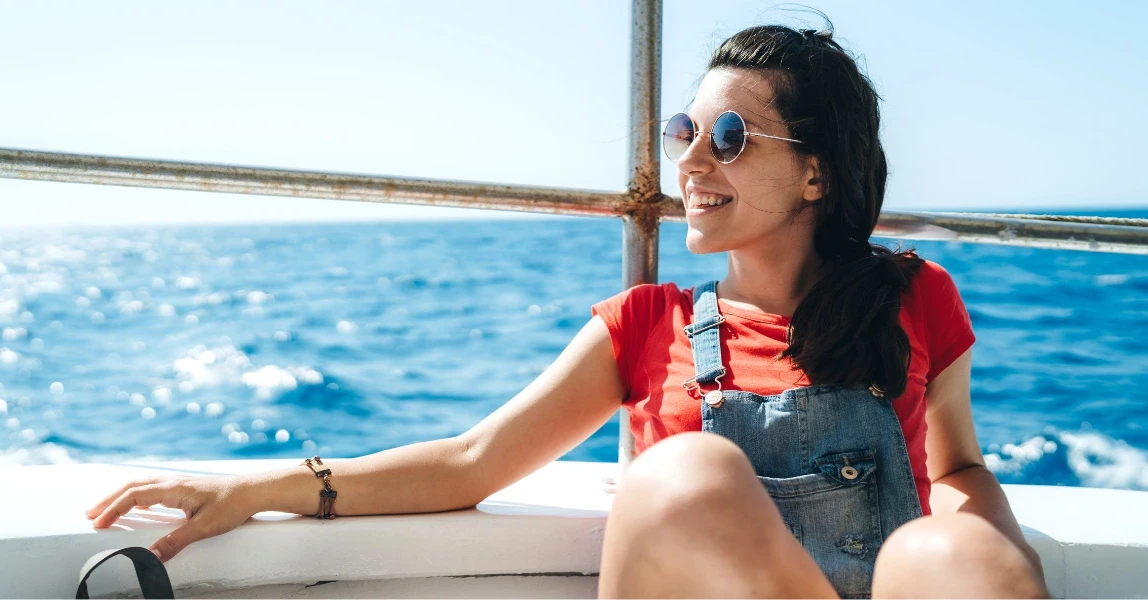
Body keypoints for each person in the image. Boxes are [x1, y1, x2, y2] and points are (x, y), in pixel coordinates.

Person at [86, 23, 1050, 599]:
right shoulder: (645, 323)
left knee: (949, 544)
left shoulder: (912, 298)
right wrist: (253, 491)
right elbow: (470, 464)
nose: (689, 163)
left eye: (727, 135)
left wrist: (988, 562)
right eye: (685, 131)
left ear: (815, 172)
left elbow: (958, 467)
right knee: (693, 476)